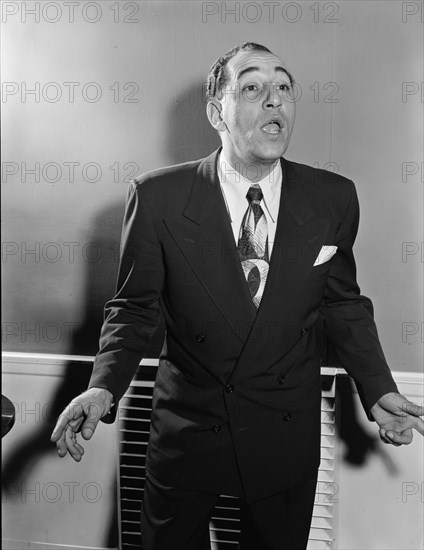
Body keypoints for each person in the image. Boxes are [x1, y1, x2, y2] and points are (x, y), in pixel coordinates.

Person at [51, 42, 424, 550]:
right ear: (216, 112)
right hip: (189, 431)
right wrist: (102, 387)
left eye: (284, 88)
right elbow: (133, 309)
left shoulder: (333, 197)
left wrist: (377, 390)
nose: (275, 100)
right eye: (252, 87)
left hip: (283, 435)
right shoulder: (159, 197)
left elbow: (342, 304)